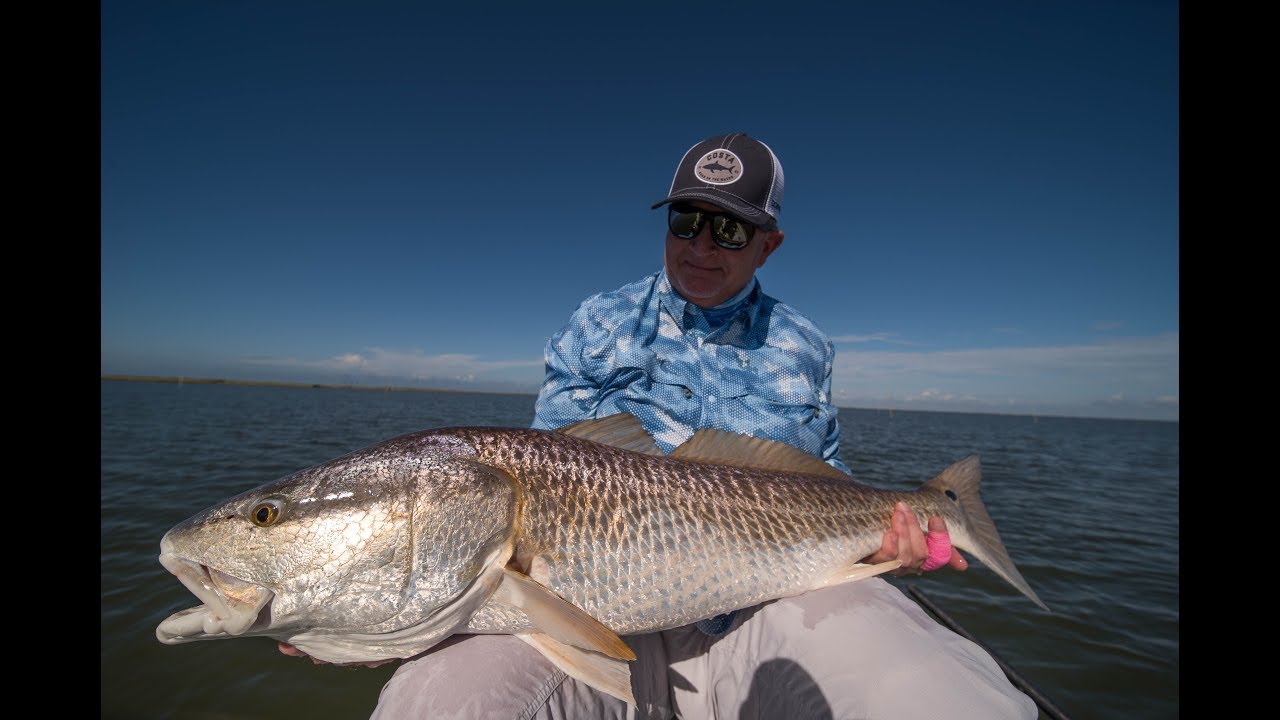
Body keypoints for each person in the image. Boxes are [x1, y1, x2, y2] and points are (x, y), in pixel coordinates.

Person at [338, 132, 1037, 718]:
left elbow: (828, 479)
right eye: (685, 221)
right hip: (583, 606)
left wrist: (894, 546)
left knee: (944, 697)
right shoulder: (596, 322)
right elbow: (542, 470)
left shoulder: (807, 346)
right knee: (432, 704)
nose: (701, 245)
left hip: (771, 603)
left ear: (770, 244)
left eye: (729, 228)